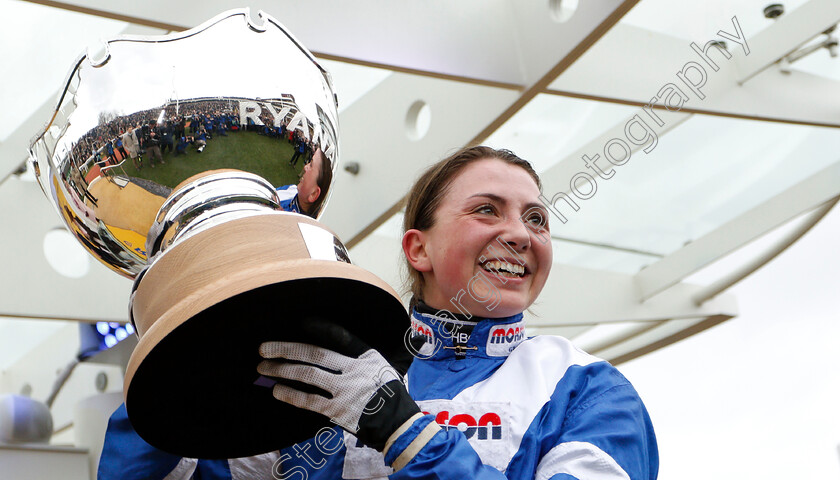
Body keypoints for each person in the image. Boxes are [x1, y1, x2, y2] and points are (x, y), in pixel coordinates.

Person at [98, 146, 657, 479]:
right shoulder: (306, 369)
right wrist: (187, 336)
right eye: (487, 211)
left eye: (536, 219)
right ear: (419, 250)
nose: (518, 233)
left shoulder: (586, 388)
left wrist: (404, 432)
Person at [276, 147, 332, 217]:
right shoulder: (292, 189)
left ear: (313, 194)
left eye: (311, 165)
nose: (305, 167)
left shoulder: (303, 226)